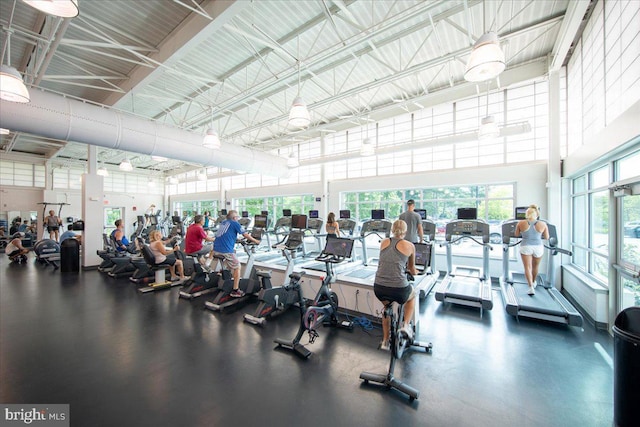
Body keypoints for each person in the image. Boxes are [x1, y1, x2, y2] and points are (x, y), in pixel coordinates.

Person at [373, 219, 417, 350]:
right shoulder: (410, 246)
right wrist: (415, 271)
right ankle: (406, 325)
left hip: (379, 287)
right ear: (406, 231)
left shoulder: (383, 242)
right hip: (399, 289)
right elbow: (412, 269)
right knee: (412, 297)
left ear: (392, 230)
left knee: (387, 308)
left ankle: (385, 341)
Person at [213, 210, 261, 298]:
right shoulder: (235, 223)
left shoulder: (224, 222)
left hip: (216, 249)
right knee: (237, 266)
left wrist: (236, 239)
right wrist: (256, 241)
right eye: (237, 217)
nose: (238, 218)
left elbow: (226, 234)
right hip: (226, 250)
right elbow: (245, 234)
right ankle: (235, 290)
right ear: (235, 218)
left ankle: (224, 270)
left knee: (233, 255)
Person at [514, 204, 549, 295]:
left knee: (527, 267)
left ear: (527, 214)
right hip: (538, 247)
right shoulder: (543, 224)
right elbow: (547, 237)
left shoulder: (521, 223)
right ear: (536, 214)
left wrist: (525, 233)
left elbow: (516, 234)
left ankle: (530, 288)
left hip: (526, 246)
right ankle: (533, 282)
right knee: (535, 267)